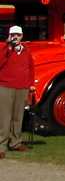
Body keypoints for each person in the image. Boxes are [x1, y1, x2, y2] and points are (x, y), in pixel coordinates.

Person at [0, 26, 35, 159]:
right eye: (13, 35)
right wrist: (8, 48)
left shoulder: (26, 50)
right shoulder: (3, 48)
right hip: (5, 86)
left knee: (18, 117)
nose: (15, 37)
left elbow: (30, 67)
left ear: (21, 36)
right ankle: (1, 147)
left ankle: (15, 142)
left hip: (22, 87)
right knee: (4, 118)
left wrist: (31, 84)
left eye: (18, 35)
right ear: (9, 36)